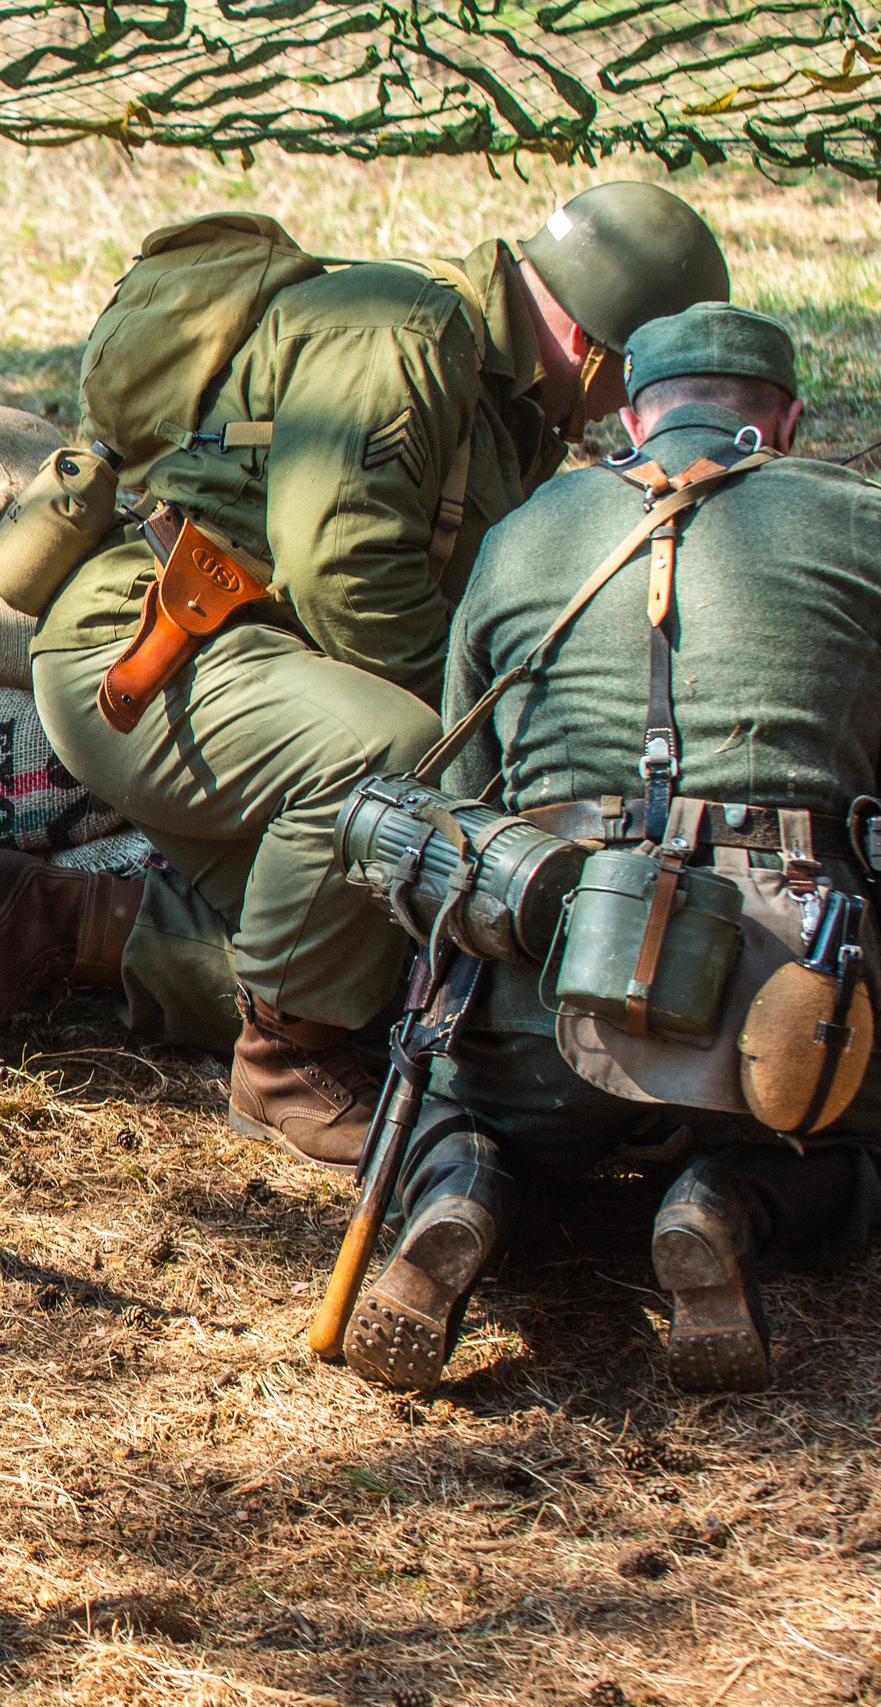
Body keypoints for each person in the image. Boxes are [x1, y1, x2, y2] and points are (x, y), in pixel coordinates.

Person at [0, 182, 730, 1168]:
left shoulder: (506, 401)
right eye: (632, 384)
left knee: (410, 940)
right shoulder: (407, 331)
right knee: (398, 756)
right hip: (150, 654)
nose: (627, 416)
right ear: (595, 345)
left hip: (249, 670)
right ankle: (281, 1064)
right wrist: (481, 766)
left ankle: (43, 921)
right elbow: (344, 575)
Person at [341, 303, 881, 1394]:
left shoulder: (528, 529)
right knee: (846, 1158)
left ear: (632, 413)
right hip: (779, 1004)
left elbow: (463, 800)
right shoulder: (860, 520)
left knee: (465, 1115)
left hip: (555, 975)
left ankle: (465, 1192)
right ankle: (726, 1201)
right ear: (782, 418)